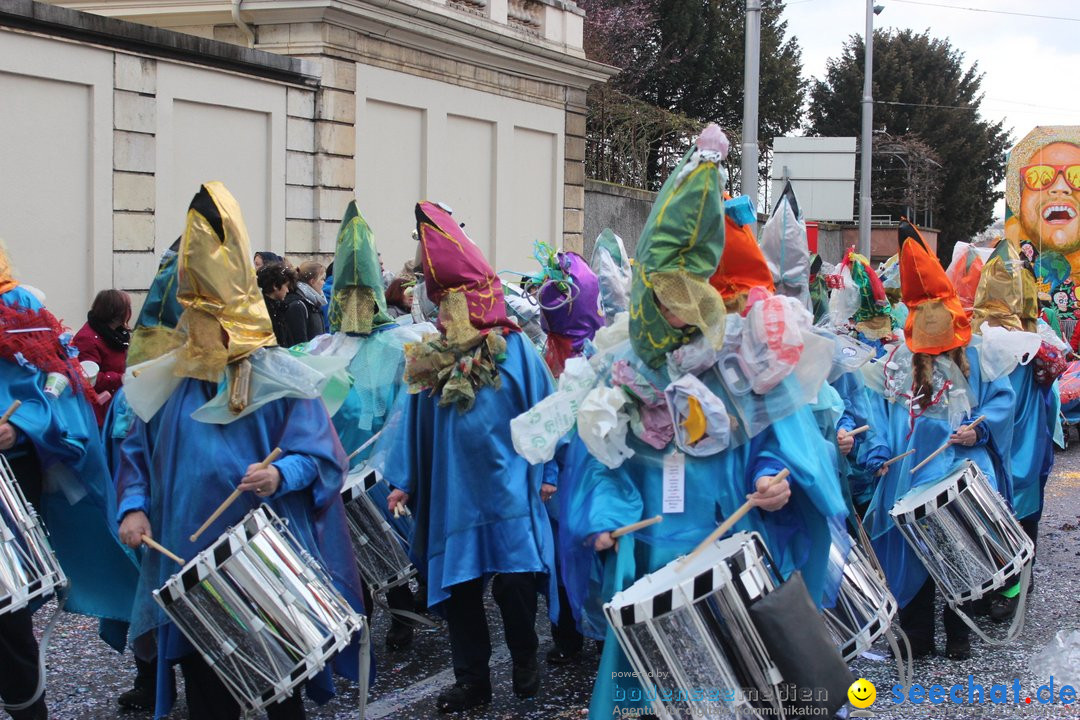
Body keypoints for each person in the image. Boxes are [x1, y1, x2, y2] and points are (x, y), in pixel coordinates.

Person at [535, 127, 847, 719]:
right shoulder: (621, 370)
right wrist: (603, 524)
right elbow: (604, 466)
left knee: (739, 693)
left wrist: (776, 479)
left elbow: (771, 444)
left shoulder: (738, 364)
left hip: (727, 550)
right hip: (650, 559)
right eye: (662, 301)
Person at [114, 182, 365, 720]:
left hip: (265, 562)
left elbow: (323, 457)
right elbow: (135, 451)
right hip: (187, 566)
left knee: (279, 689)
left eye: (211, 322)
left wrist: (280, 477)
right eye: (193, 320)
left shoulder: (277, 377)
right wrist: (133, 506)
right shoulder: (168, 382)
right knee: (208, 691)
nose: (199, 333)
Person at [384, 201, 559, 713]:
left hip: (508, 491)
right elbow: (417, 424)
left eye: (451, 302)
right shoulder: (432, 359)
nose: (444, 314)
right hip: (455, 496)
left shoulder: (518, 351)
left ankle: (525, 662)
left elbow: (547, 413)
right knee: (460, 590)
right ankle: (473, 679)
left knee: (515, 584)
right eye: (441, 304)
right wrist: (408, 481)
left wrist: (546, 472)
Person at [864, 220, 1016, 661]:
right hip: (909, 474)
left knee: (959, 547)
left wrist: (979, 429)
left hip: (958, 467)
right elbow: (879, 417)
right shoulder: (897, 361)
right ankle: (914, 635)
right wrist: (876, 453)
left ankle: (959, 633)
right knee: (912, 553)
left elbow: (1000, 403)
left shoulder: (978, 353)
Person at [0, 243, 140, 720]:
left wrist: (21, 427)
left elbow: (62, 392)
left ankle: (26, 708)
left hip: (9, 478)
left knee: (6, 607)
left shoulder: (19, 307)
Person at [303, 201, 432, 651]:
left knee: (389, 544)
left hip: (384, 466)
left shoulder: (400, 345)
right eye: (348, 296)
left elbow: (406, 408)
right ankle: (362, 617)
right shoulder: (322, 347)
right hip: (342, 467)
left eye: (364, 296)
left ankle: (402, 610)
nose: (356, 306)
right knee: (353, 549)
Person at [971, 240, 1056, 620]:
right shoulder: (1036, 344)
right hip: (1017, 442)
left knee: (1008, 509)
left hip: (1010, 441)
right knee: (1016, 508)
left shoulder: (991, 343)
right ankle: (1011, 582)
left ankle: (1011, 584)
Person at [72, 289, 131, 426]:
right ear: (117, 312)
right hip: (99, 411)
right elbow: (88, 377)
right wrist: (120, 378)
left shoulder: (117, 335)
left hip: (116, 405)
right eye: (127, 308)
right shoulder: (87, 338)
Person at [258, 262, 303, 347]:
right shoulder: (264, 311)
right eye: (286, 286)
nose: (288, 290)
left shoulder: (278, 307)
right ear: (275, 286)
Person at [295, 261, 327, 338]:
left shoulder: (313, 302)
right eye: (322, 279)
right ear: (312, 281)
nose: (324, 283)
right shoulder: (300, 304)